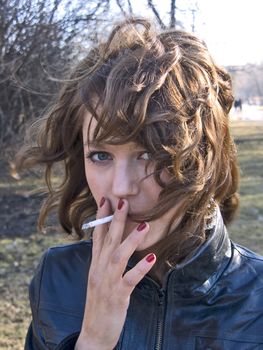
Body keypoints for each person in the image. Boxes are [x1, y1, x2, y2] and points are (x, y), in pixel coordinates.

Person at [16, 18, 263, 350]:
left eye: (148, 153)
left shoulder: (256, 298)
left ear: (203, 156)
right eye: (101, 155)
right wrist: (92, 341)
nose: (120, 187)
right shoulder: (56, 279)